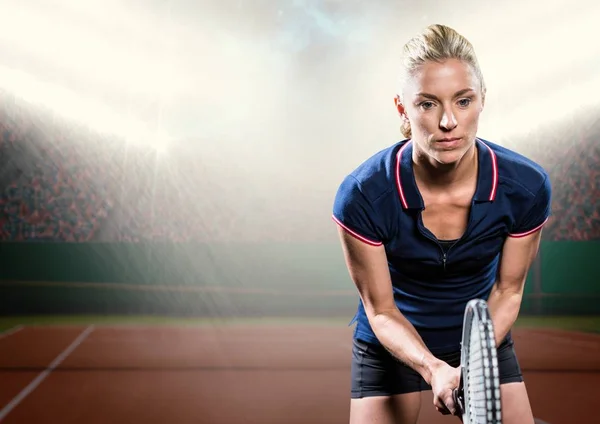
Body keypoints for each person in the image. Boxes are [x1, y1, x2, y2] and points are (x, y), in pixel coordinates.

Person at [331, 24, 551, 424]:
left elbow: (507, 291)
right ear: (402, 108)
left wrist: (474, 361)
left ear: (483, 100)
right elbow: (380, 311)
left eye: (463, 101)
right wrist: (433, 369)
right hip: (392, 340)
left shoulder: (526, 186)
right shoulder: (363, 194)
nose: (448, 121)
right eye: (428, 104)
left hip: (483, 337)